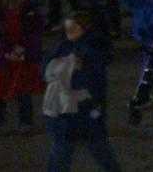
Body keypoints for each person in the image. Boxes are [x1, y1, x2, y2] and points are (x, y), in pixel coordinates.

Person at [44, 12, 121, 171]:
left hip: (86, 108)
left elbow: (93, 80)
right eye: (67, 27)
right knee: (61, 150)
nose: (69, 30)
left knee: (99, 148)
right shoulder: (63, 46)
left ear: (85, 28)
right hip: (64, 110)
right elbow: (47, 69)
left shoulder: (94, 49)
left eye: (74, 27)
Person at [0, 0, 44, 135]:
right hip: (4, 57)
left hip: (23, 57)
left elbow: (36, 32)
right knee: (0, 90)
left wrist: (23, 48)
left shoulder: (30, 11)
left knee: (23, 90)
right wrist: (3, 49)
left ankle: (25, 122)